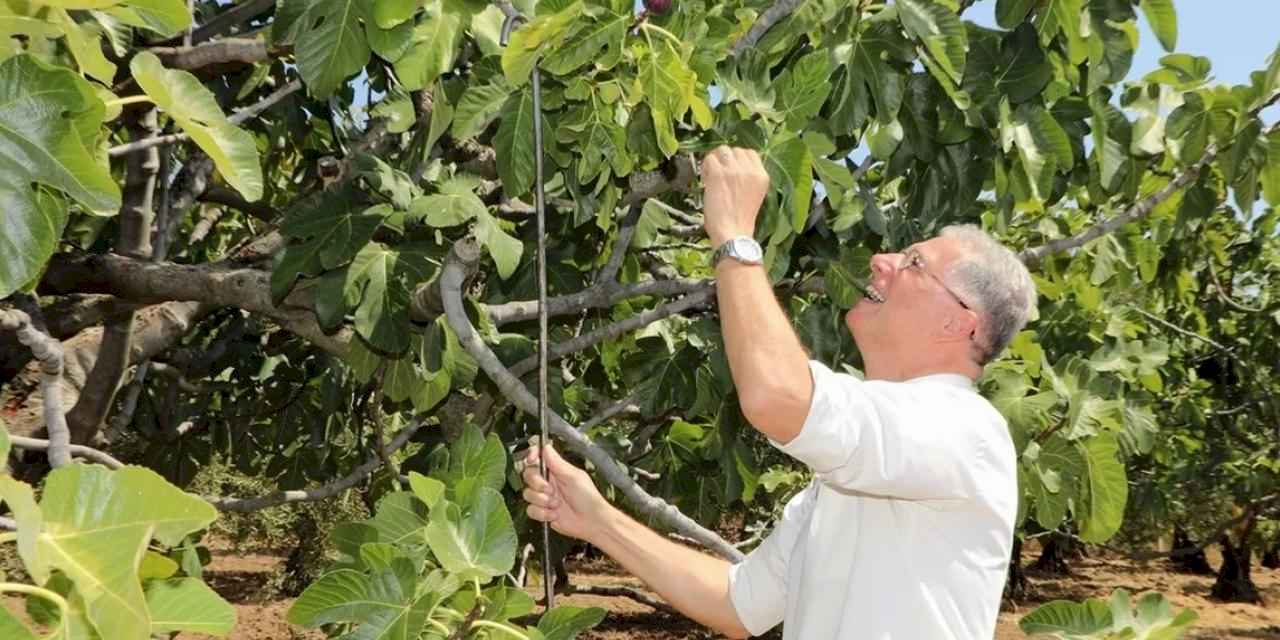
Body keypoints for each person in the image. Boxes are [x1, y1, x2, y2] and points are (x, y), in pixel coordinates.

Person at [519, 146, 1037, 638]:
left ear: (958, 322)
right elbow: (739, 604)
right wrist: (597, 521)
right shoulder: (855, 468)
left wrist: (735, 236)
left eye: (914, 263)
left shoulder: (964, 429)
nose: (882, 260)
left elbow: (777, 396)